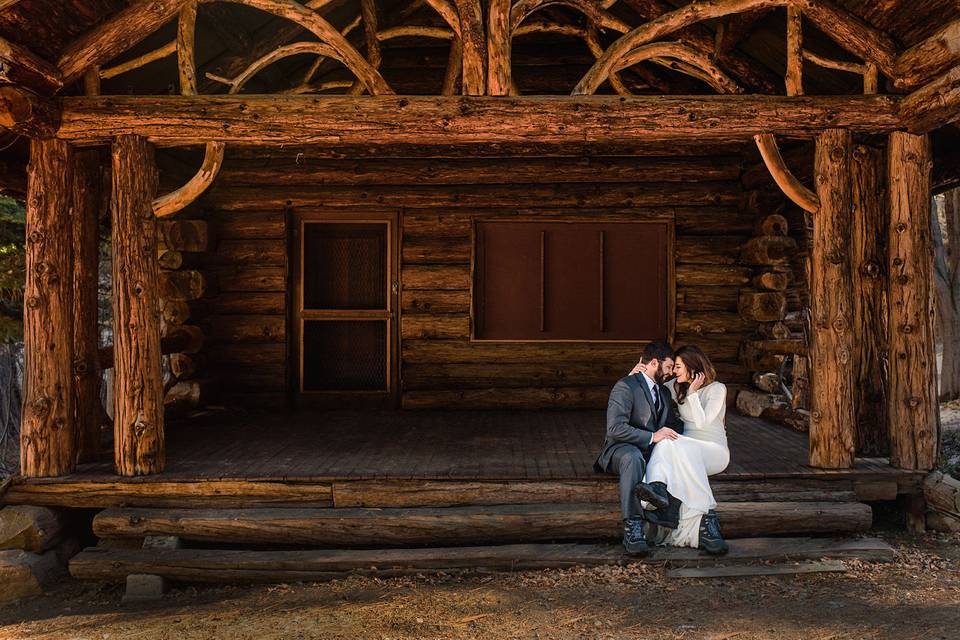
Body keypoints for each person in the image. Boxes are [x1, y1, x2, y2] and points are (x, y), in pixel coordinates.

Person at [634, 345, 731, 555]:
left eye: (678, 367)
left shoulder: (717, 389)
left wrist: (693, 393)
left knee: (670, 440)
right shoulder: (674, 386)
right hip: (685, 450)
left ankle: (658, 486)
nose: (673, 371)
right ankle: (703, 521)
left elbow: (703, 423)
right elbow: (649, 388)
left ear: (693, 367)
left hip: (713, 451)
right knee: (666, 439)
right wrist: (634, 377)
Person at [594, 341, 684, 556]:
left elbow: (672, 424)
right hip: (621, 450)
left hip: (651, 452)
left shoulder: (663, 393)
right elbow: (615, 428)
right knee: (633, 457)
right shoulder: (626, 386)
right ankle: (633, 527)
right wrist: (653, 436)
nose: (671, 373)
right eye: (669, 367)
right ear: (655, 362)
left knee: (675, 454)